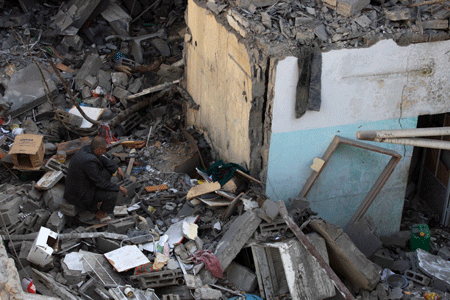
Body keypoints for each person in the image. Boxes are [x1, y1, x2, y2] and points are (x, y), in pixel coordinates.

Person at [64, 136, 127, 221]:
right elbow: (100, 183)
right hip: (79, 195)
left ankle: (99, 200)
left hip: (79, 185)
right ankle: (98, 212)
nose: (105, 151)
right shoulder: (89, 161)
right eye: (103, 149)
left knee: (107, 173)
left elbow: (103, 159)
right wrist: (119, 187)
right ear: (98, 149)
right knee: (113, 194)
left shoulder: (87, 149)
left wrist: (116, 168)